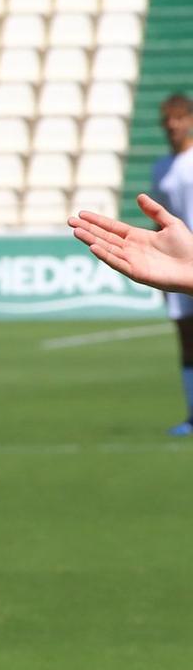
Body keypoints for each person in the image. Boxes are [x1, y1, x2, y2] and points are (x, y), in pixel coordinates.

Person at [142, 94, 193, 434]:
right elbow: (157, 221)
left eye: (178, 117)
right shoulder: (161, 168)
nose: (172, 125)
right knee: (187, 342)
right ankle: (192, 416)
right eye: (167, 119)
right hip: (178, 263)